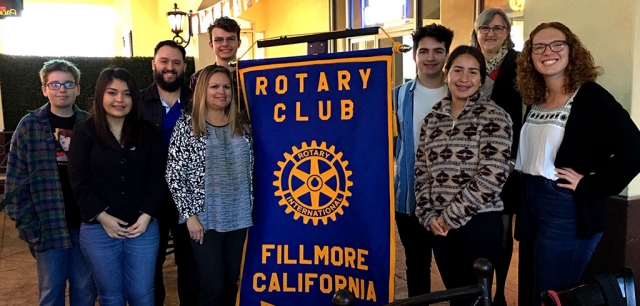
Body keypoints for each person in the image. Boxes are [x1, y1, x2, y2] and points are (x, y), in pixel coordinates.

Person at [514, 22, 640, 306]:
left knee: (553, 296)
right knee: (535, 290)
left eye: (557, 44)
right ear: (530, 56)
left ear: (572, 50)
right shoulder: (536, 98)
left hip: (566, 207)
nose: (548, 51)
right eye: (539, 47)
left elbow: (634, 149)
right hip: (531, 201)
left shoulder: (590, 96)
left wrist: (592, 184)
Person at [414, 46, 513, 306]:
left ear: (481, 78)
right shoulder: (433, 118)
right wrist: (428, 215)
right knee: (455, 299)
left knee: (477, 300)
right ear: (447, 74)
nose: (464, 78)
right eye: (457, 70)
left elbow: (492, 176)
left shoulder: (495, 116)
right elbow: (422, 171)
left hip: (479, 223)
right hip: (440, 228)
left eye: (473, 72)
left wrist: (449, 218)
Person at [68, 67, 165, 305]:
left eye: (127, 93)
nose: (119, 100)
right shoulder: (84, 131)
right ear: (101, 95)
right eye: (112, 92)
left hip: (142, 228)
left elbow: (158, 179)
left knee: (141, 295)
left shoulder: (149, 133)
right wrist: (103, 217)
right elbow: (79, 181)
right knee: (111, 296)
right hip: (98, 229)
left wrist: (146, 216)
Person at [5, 59, 97, 306]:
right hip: (47, 227)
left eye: (68, 83)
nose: (62, 89)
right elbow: (15, 183)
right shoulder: (29, 126)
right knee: (51, 292)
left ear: (78, 88)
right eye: (54, 84)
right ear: (44, 88)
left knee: (85, 290)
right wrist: (29, 227)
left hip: (85, 225)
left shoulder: (90, 125)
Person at [166, 64, 253, 306]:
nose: (221, 92)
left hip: (240, 217)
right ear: (203, 89)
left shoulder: (242, 124)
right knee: (212, 286)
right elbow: (174, 174)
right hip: (205, 220)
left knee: (231, 282)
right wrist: (190, 216)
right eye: (214, 86)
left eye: (226, 86)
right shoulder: (188, 125)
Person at [393, 23, 454, 297]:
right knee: (416, 264)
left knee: (453, 267)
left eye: (438, 51)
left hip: (449, 200)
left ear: (446, 55)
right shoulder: (397, 96)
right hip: (408, 198)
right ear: (414, 55)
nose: (430, 57)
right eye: (424, 51)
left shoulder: (458, 94)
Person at [139, 39, 200, 306]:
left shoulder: (198, 101)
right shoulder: (137, 102)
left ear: (184, 67)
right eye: (164, 61)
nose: (169, 67)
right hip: (151, 195)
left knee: (190, 261)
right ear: (154, 64)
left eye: (176, 62)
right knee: (152, 261)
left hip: (188, 194)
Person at [469, 8, 523, 306]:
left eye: (498, 28)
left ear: (507, 32)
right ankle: (478, 288)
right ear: (476, 30)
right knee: (477, 229)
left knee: (502, 232)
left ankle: (498, 292)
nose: (490, 33)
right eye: (485, 27)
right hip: (468, 162)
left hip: (506, 162)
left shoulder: (519, 63)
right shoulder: (468, 60)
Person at [190, 16, 245, 112]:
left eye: (231, 39)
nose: (225, 44)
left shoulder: (252, 75)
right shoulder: (199, 78)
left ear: (239, 43)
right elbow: (195, 112)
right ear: (211, 45)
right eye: (219, 40)